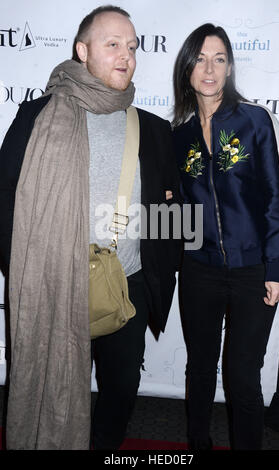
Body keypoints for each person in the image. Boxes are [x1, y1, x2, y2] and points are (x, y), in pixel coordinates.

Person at [0, 5, 181, 450]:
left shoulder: (154, 130)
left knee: (120, 391)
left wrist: (163, 264)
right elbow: (5, 199)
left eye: (133, 47)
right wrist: (26, 270)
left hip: (128, 287)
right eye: (113, 44)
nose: (126, 55)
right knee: (53, 382)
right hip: (54, 284)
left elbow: (170, 212)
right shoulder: (36, 118)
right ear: (83, 51)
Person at [172, 23, 279, 450]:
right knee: (200, 369)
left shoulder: (256, 121)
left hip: (252, 271)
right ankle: (196, 445)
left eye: (219, 59)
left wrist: (276, 266)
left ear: (229, 68)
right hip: (198, 270)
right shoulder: (180, 134)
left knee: (243, 376)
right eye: (201, 59)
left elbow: (277, 200)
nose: (209, 68)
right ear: (187, 67)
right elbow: (177, 208)